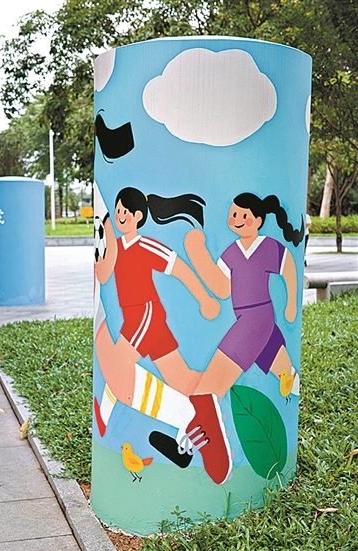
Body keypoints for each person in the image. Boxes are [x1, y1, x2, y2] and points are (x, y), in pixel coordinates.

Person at [94, 186, 232, 484]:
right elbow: (104, 273)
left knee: (119, 364)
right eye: (117, 211)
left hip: (146, 315)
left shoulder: (146, 245)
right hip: (136, 318)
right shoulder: (116, 247)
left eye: (125, 212)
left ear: (138, 216)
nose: (120, 216)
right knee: (181, 378)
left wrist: (204, 299)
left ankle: (184, 419)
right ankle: (207, 405)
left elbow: (179, 268)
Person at [184, 192, 304, 400]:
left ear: (258, 221)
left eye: (243, 216)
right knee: (280, 365)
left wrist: (291, 304)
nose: (237, 220)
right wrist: (199, 257)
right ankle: (290, 382)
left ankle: (201, 408)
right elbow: (222, 288)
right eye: (233, 215)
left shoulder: (267, 246)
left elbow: (288, 267)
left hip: (257, 317)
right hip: (247, 317)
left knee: (213, 381)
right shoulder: (232, 252)